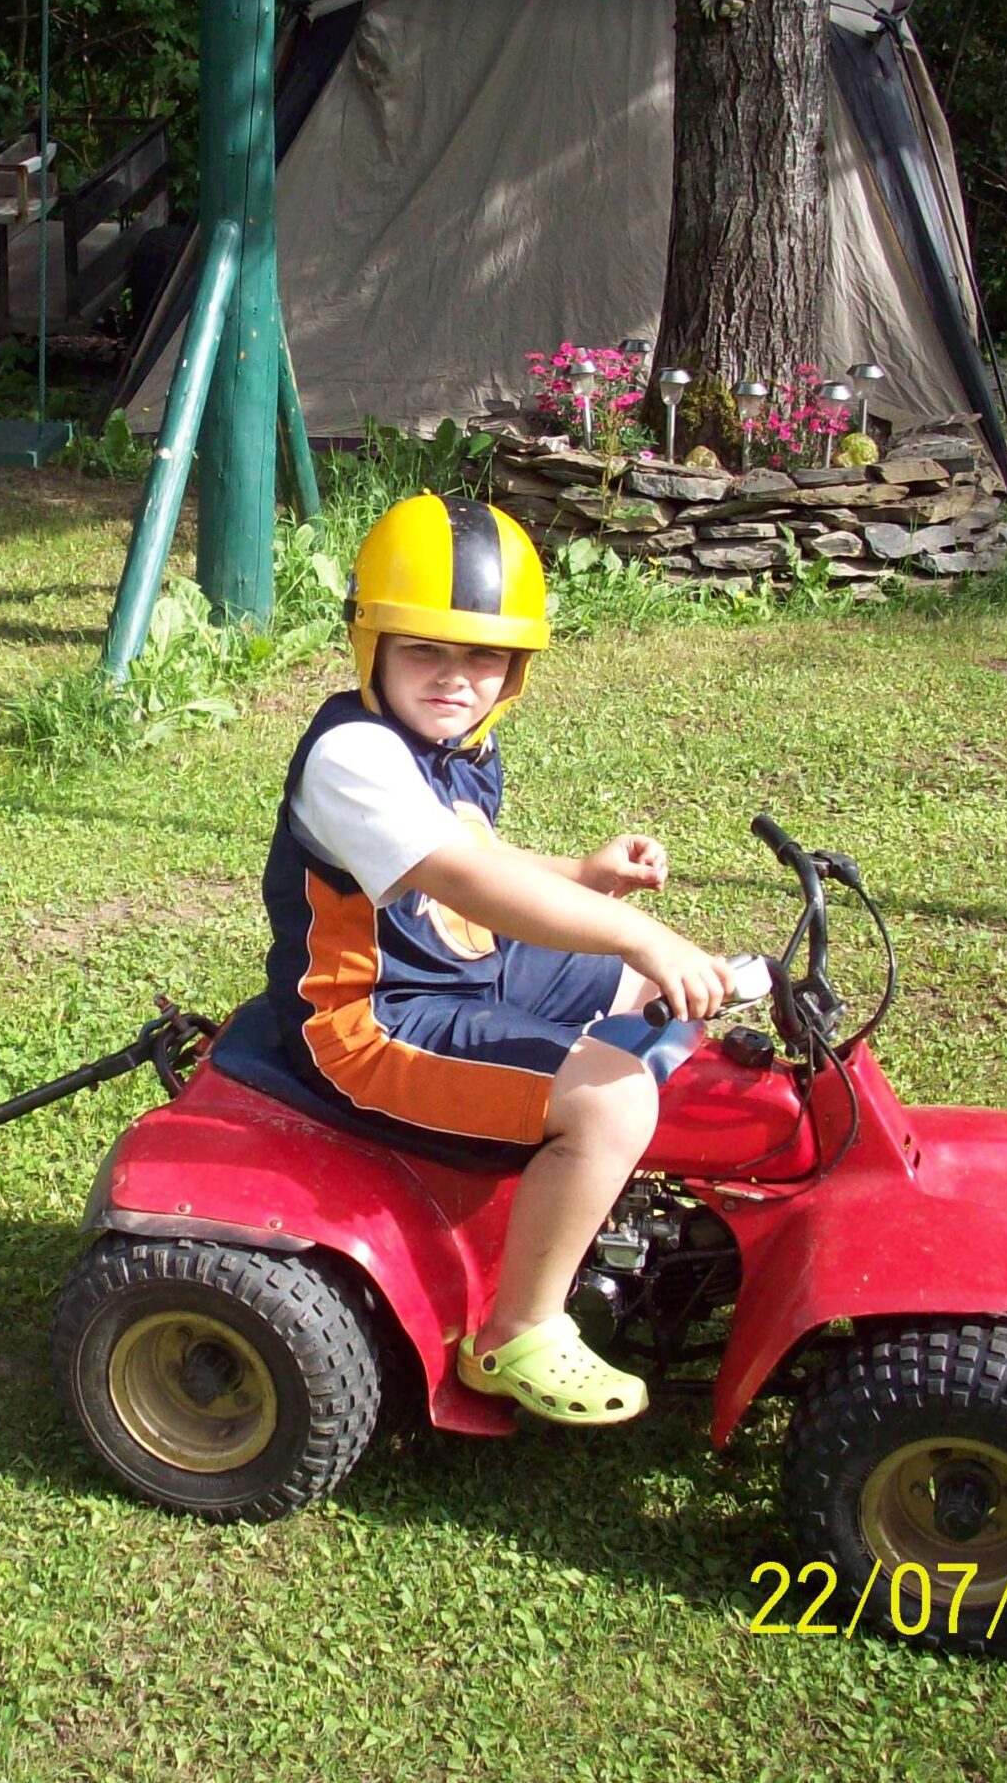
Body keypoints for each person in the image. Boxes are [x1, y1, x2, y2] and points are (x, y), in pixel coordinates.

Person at [259, 490, 734, 1425]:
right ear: (371, 647)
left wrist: (582, 876)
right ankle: (517, 1330)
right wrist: (639, 930)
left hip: (458, 966)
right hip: (373, 1017)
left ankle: (602, 1192)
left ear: (514, 669)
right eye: (424, 651)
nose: (456, 678)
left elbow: (474, 853)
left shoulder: (458, 745)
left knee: (652, 991)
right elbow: (464, 878)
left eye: (483, 657)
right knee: (611, 1099)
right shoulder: (354, 756)